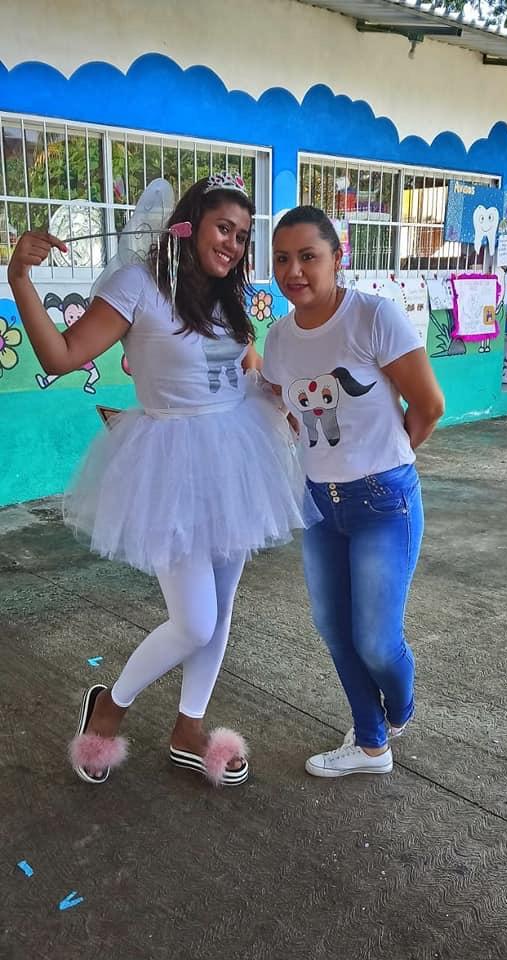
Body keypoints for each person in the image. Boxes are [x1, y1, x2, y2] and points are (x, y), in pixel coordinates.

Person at [8, 173, 314, 788]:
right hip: (171, 462)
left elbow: (243, 363)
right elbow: (59, 356)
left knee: (221, 609)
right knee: (194, 620)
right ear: (189, 225)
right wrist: (19, 279)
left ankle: (189, 728)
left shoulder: (226, 295)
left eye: (242, 236)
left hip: (237, 453)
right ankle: (110, 705)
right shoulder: (138, 284)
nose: (232, 245)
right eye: (222, 228)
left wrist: (278, 394)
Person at [263, 206, 444, 778]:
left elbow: (429, 404)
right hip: (319, 504)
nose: (294, 271)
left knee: (377, 641)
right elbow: (281, 407)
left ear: (337, 258)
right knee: (335, 630)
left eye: (308, 257)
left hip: (384, 502)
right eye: (282, 259)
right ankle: (371, 744)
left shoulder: (372, 316)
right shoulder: (279, 338)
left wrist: (386, 461)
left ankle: (399, 710)